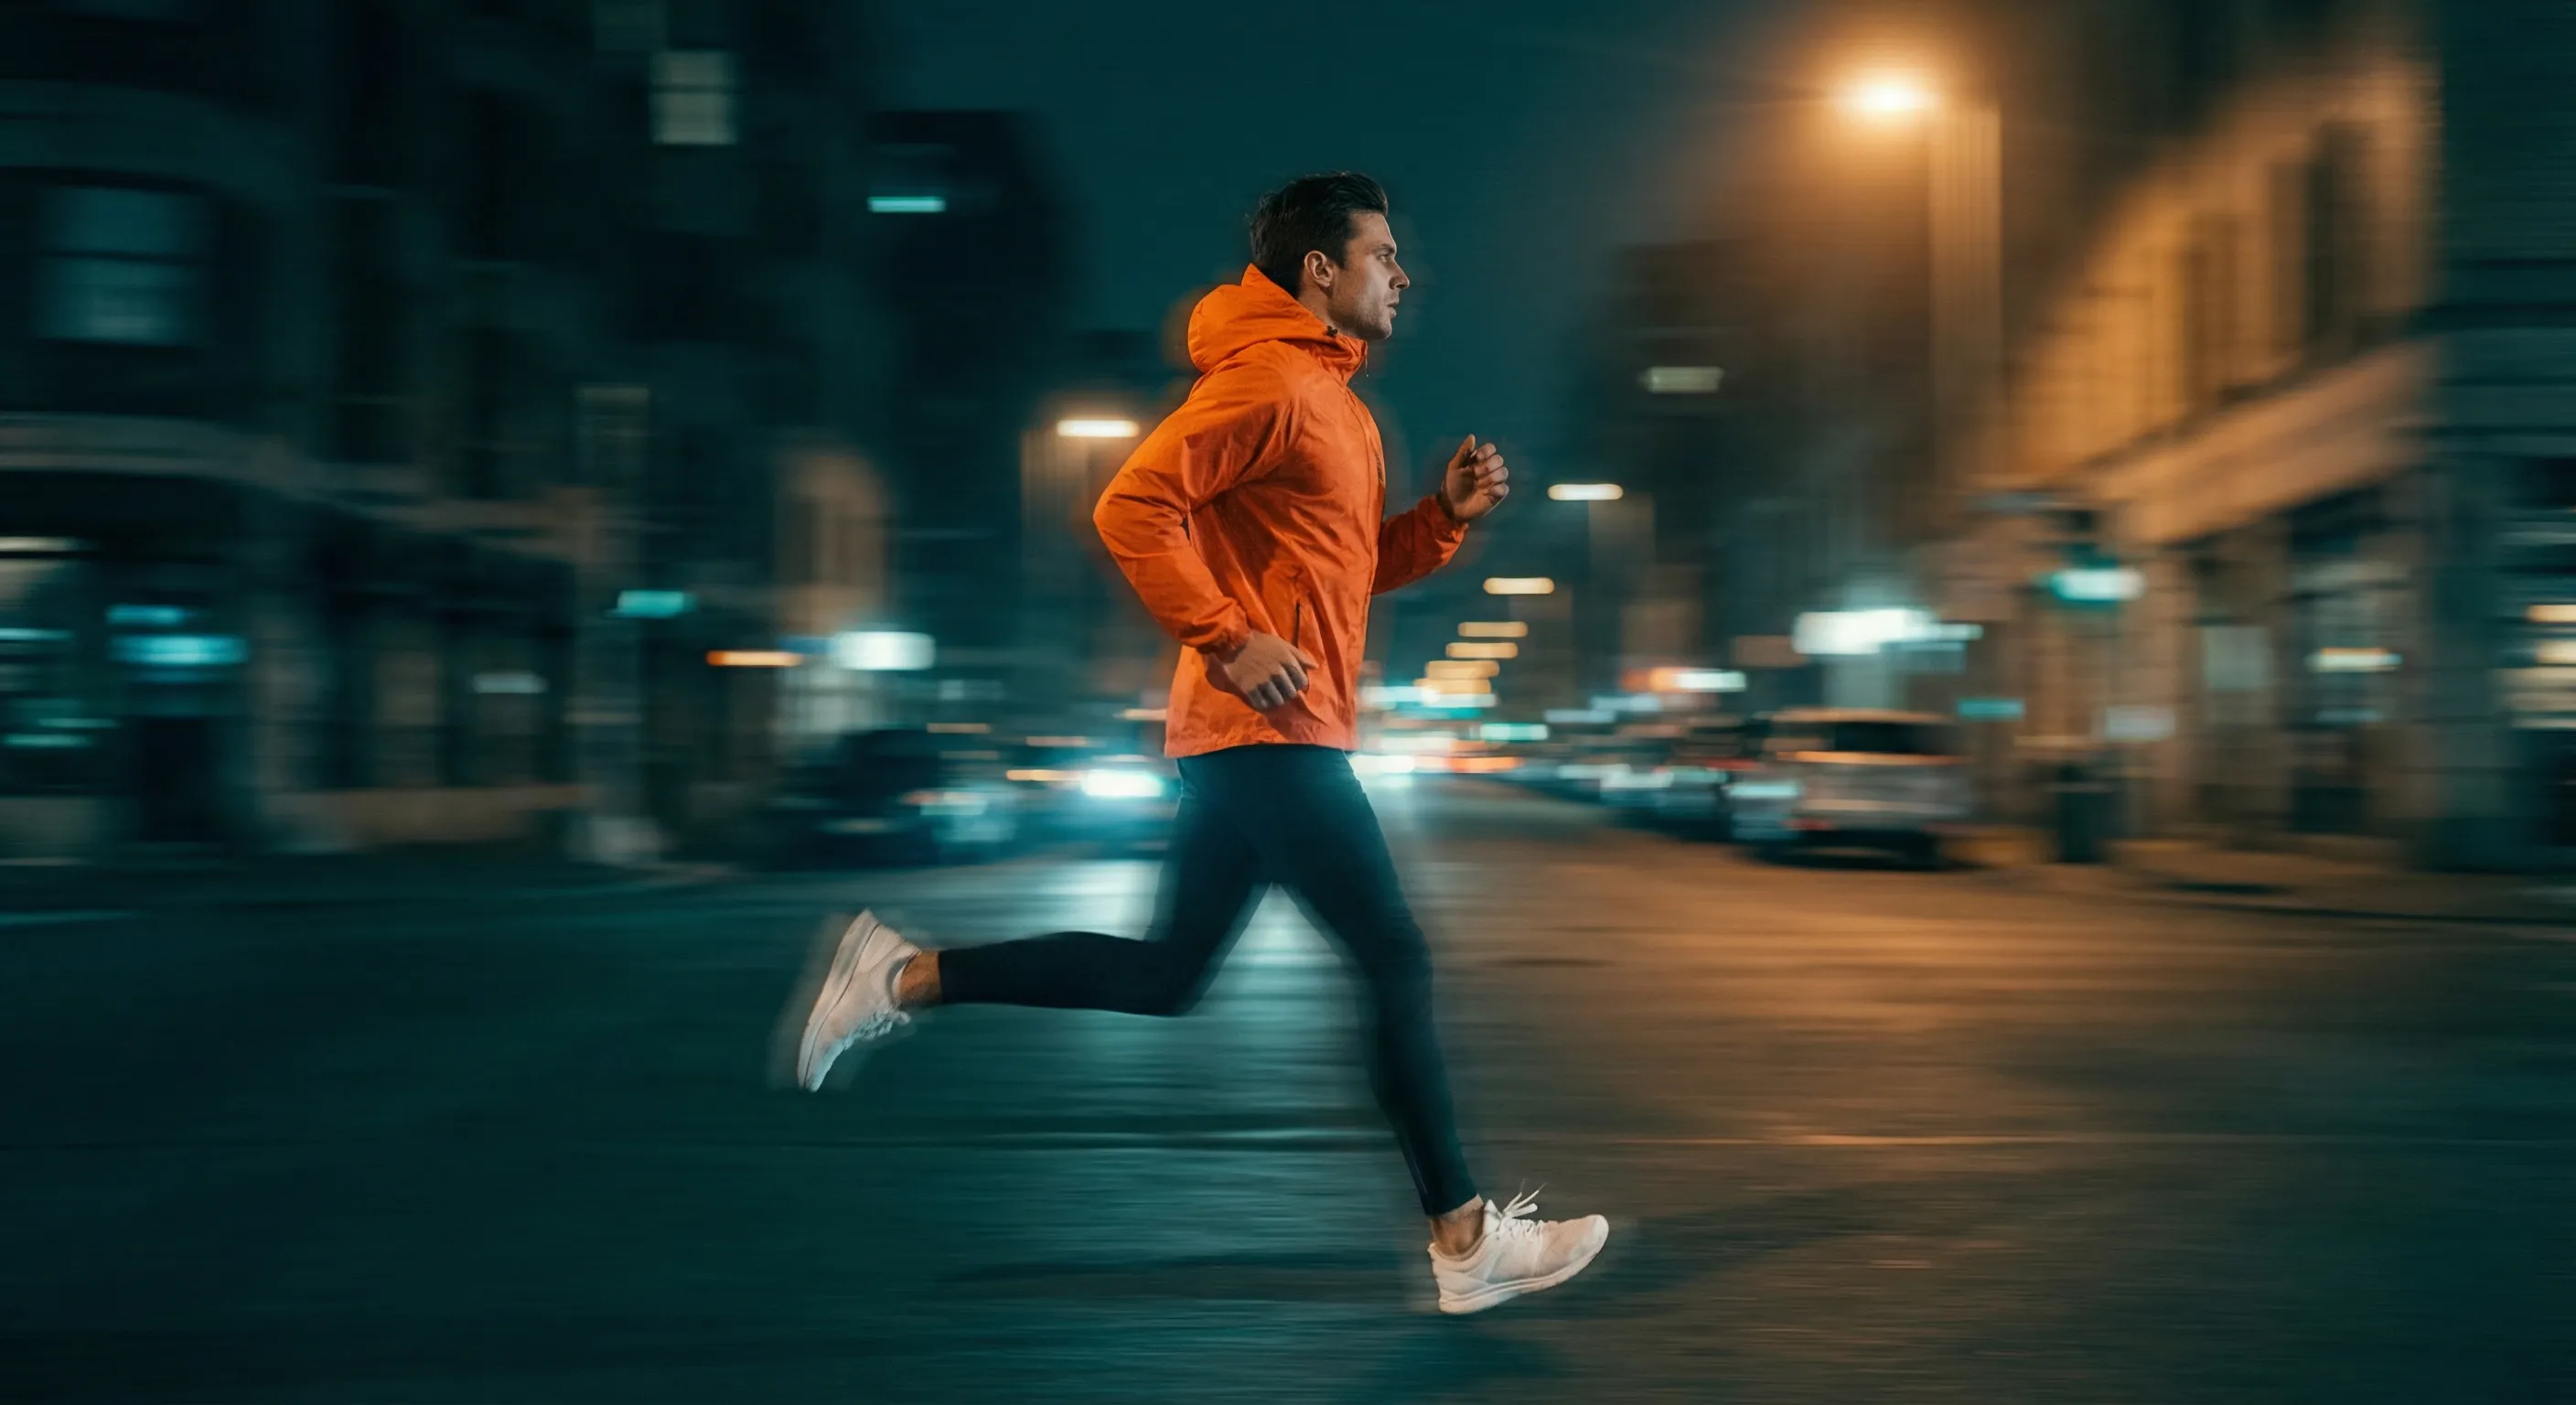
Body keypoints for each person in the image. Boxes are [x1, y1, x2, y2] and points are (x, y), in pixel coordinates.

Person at [789, 173, 1607, 1315]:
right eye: (1380, 254)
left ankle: (901, 976)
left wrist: (1441, 523)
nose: (1400, 274)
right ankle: (1464, 1242)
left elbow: (1348, 568)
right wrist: (1224, 639)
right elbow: (1130, 504)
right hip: (1266, 732)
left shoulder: (1342, 409)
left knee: (1165, 974)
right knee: (1394, 958)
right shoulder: (1265, 382)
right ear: (1320, 271)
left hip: (1261, 737)